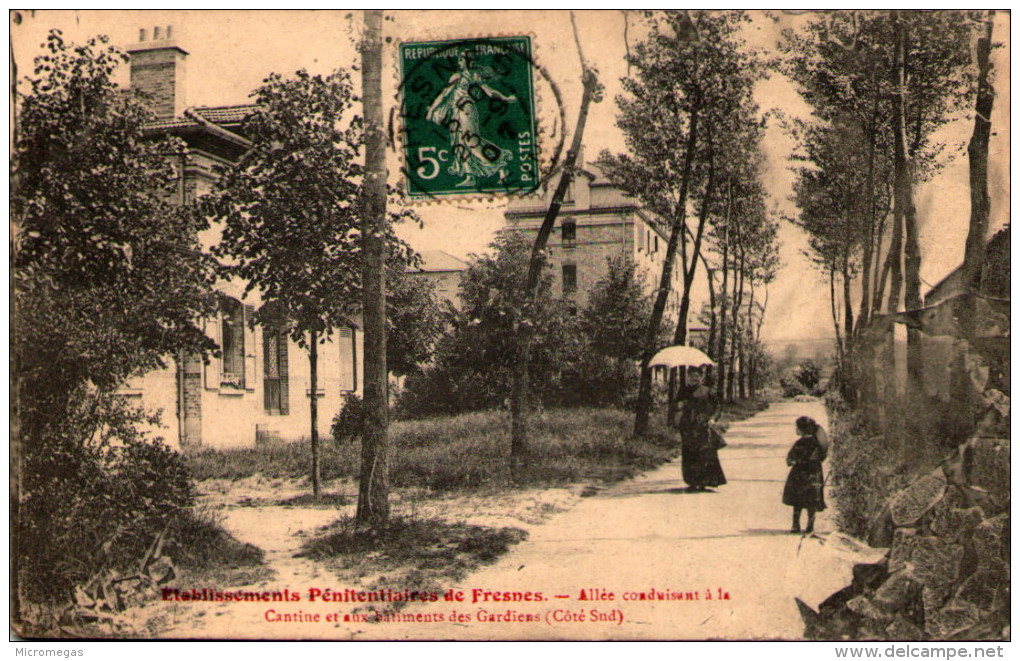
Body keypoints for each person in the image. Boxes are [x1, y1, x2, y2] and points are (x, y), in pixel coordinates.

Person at [425, 50, 517, 187]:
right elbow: (444, 94)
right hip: (456, 113)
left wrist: (506, 98)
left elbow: (489, 92)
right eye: (459, 60)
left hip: (466, 111)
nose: (459, 62)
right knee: (460, 144)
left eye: (461, 60)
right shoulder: (458, 76)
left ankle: (501, 165)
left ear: (468, 61)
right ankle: (470, 177)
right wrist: (432, 109)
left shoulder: (473, 76)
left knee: (472, 143)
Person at [678, 369, 727, 492]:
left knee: (704, 454)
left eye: (697, 376)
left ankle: (704, 482)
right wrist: (680, 404)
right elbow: (675, 405)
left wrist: (713, 419)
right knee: (689, 454)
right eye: (692, 376)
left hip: (703, 426)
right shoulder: (683, 391)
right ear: (688, 377)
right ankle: (692, 482)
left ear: (701, 377)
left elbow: (718, 407)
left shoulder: (708, 391)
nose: (694, 379)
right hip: (688, 427)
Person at [783, 416, 827, 534]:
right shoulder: (815, 443)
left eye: (796, 427)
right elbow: (818, 458)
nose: (795, 429)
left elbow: (792, 457)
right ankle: (809, 526)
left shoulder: (802, 443)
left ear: (802, 429)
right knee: (811, 501)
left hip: (802, 474)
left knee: (798, 501)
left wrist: (794, 461)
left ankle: (796, 525)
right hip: (813, 474)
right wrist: (791, 460)